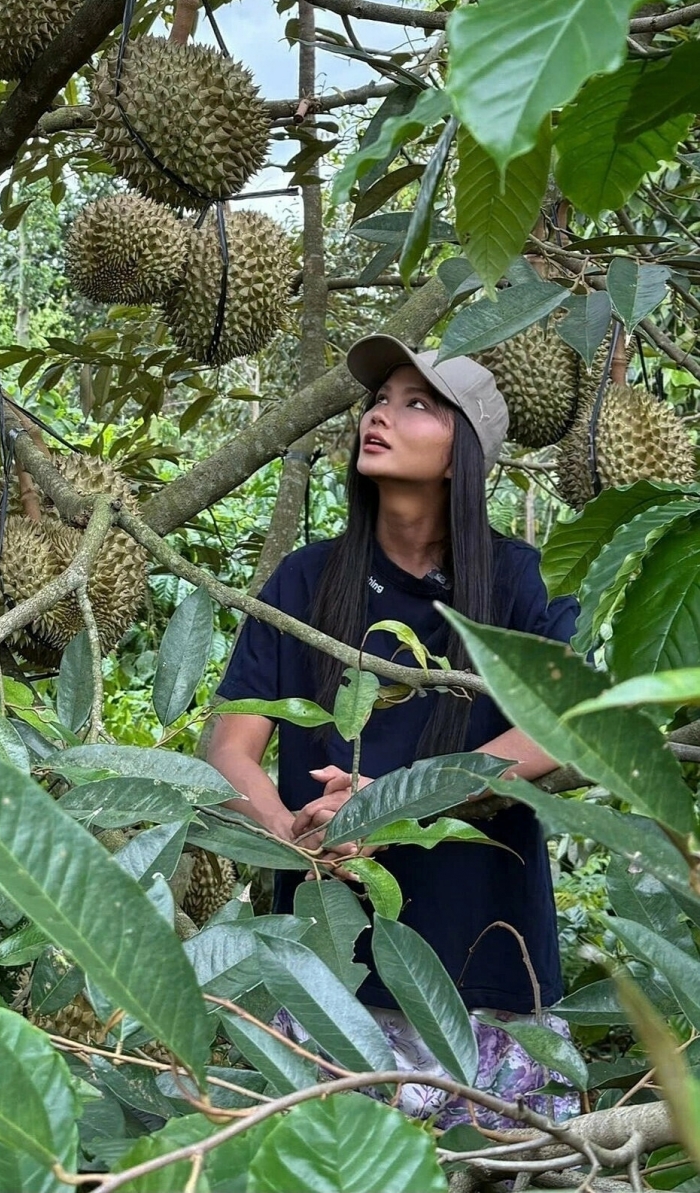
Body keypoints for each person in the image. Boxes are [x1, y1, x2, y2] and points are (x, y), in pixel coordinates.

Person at [208, 333, 581, 1128]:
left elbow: (557, 726)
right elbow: (229, 746)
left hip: (487, 969)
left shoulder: (517, 580)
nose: (380, 414)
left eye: (418, 404)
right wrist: (286, 831)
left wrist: (393, 804)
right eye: (379, 400)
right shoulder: (306, 580)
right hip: (334, 978)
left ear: (462, 455)